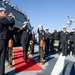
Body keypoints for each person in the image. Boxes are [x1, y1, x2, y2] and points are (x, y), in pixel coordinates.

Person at [0, 7, 15, 75]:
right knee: (2, 57)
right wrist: (12, 17)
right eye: (5, 12)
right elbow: (11, 23)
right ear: (0, 13)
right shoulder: (2, 20)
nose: (6, 13)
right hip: (2, 40)